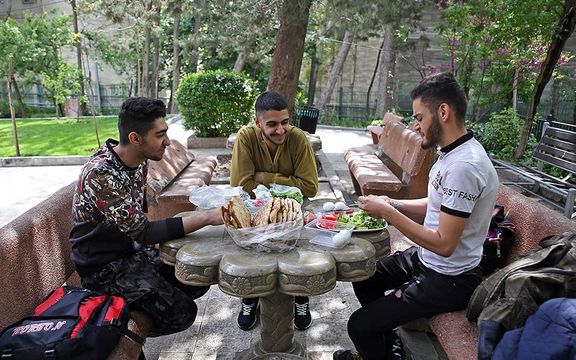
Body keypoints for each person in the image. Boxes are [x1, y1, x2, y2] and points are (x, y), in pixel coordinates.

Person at [333, 72, 499, 360]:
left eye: (420, 117)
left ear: (443, 112)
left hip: (451, 278)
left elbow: (444, 244)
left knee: (358, 326)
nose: (415, 125)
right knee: (364, 275)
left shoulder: (465, 167)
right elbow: (435, 205)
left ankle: (380, 348)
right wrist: (394, 204)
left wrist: (387, 213)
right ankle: (388, 350)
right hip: (428, 260)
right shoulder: (451, 154)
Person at [69, 97, 222, 353]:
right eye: (160, 134)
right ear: (136, 138)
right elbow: (144, 231)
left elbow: (139, 226)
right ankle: (121, 328)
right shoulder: (101, 174)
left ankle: (145, 301)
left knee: (196, 274)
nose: (168, 142)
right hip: (103, 270)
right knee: (182, 312)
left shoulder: (137, 163)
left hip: (131, 253)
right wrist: (207, 217)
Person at [230, 90, 319, 331]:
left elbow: (310, 188)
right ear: (257, 122)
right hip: (256, 214)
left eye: (285, 122)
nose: (280, 130)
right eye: (272, 124)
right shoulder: (246, 138)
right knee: (255, 255)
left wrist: (264, 177)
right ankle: (250, 296)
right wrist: (288, 181)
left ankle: (300, 296)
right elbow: (241, 185)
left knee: (294, 258)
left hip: (294, 215)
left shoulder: (298, 138)